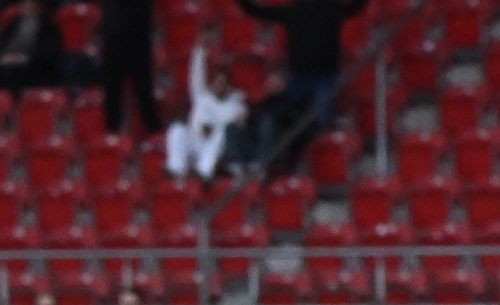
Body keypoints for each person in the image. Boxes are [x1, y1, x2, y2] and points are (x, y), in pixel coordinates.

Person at [234, 0, 366, 127]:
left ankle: (323, 138)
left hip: (326, 76)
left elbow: (356, 7)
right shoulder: (293, 11)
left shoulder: (332, 8)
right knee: (285, 112)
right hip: (298, 76)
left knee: (322, 114)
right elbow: (257, 11)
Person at [165, 43, 249, 181]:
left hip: (210, 147)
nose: (219, 86)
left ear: (228, 85)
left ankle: (202, 173)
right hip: (193, 140)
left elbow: (239, 121)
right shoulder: (201, 96)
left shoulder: (234, 104)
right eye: (217, 82)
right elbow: (196, 75)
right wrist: (199, 50)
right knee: (177, 128)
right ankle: (177, 170)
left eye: (222, 83)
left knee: (221, 133)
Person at [100, 0, 161, 135]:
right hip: (113, 43)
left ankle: (155, 137)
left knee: (144, 95)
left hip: (137, 44)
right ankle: (112, 138)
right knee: (112, 96)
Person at [0, 0, 64, 92]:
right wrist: (5, 57)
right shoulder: (14, 23)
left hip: (32, 65)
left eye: (30, 6)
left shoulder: (48, 27)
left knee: (14, 74)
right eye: (25, 6)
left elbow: (49, 52)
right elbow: (4, 42)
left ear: (38, 8)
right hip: (9, 60)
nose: (27, 9)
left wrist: (26, 58)